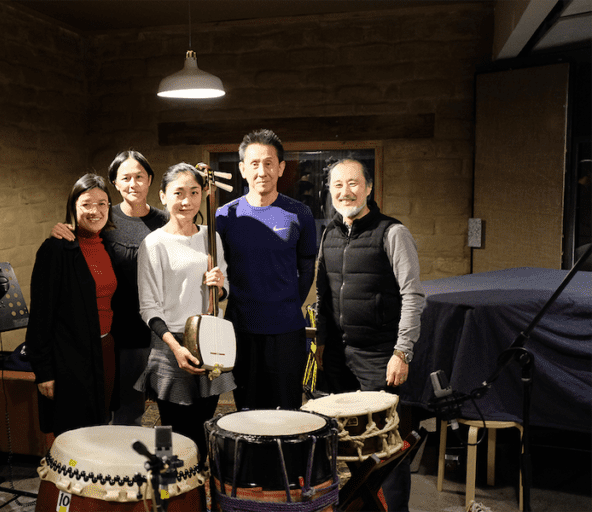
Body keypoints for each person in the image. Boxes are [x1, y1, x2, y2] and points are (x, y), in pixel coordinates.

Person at [315, 158, 426, 512]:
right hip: (337, 357)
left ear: (369, 188)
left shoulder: (392, 232)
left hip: (380, 356)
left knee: (387, 447)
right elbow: (323, 296)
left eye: (353, 183)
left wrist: (402, 351)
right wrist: (320, 345)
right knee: (346, 441)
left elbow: (412, 295)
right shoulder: (329, 234)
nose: (345, 192)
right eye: (337, 185)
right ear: (329, 190)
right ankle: (363, 504)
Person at [51, 151, 168, 426]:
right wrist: (60, 232)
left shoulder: (164, 221)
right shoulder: (103, 219)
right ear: (115, 182)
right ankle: (115, 464)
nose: (133, 184)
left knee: (151, 408)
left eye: (139, 176)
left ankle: (148, 462)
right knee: (115, 408)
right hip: (115, 330)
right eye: (125, 177)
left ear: (150, 180)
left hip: (155, 327)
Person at [135, 163, 234, 462]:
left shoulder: (211, 236)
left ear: (203, 194)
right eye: (178, 193)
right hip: (172, 343)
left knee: (202, 426)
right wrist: (176, 348)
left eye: (194, 192)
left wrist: (220, 286)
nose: (187, 201)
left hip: (209, 340)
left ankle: (193, 485)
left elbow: (223, 289)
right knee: (172, 430)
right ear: (163, 196)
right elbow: (148, 306)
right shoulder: (154, 243)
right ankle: (169, 489)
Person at [215, 129, 317, 411]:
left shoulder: (300, 214)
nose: (262, 171)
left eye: (269, 163)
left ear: (281, 167)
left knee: (287, 412)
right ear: (242, 169)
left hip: (286, 330)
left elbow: (307, 266)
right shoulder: (225, 216)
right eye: (255, 163)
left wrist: (286, 302)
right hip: (241, 330)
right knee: (246, 412)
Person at [26, 173, 118, 436]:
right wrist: (43, 372)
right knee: (74, 435)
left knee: (102, 427)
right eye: (86, 204)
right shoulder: (56, 249)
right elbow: (41, 316)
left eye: (102, 204)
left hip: (105, 349)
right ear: (73, 207)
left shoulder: (107, 245)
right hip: (70, 358)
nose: (95, 210)